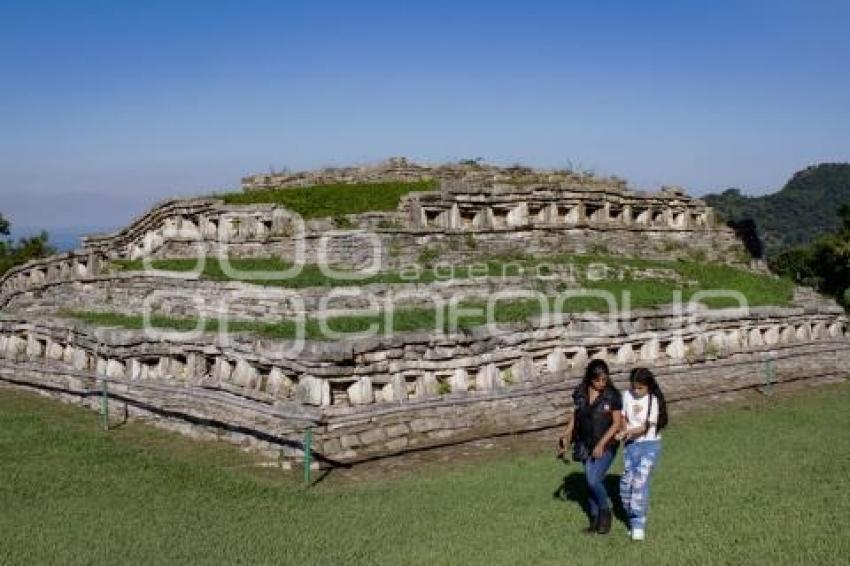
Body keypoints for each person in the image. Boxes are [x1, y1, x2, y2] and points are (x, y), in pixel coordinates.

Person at [558, 359, 623, 535]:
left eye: (605, 379)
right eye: (598, 380)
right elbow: (576, 416)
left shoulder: (613, 395)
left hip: (607, 444)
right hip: (584, 443)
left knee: (593, 479)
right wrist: (566, 434)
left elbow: (617, 424)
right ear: (590, 379)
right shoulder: (580, 393)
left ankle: (605, 511)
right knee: (590, 482)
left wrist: (601, 444)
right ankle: (594, 520)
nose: (602, 383)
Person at [616, 367, 666, 541]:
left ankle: (638, 525)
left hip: (649, 445)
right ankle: (632, 517)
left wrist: (628, 433)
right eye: (634, 387)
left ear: (648, 386)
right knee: (625, 484)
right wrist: (623, 430)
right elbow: (622, 416)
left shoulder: (653, 400)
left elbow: (645, 428)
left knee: (639, 483)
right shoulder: (627, 395)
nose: (636, 392)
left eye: (640, 388)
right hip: (631, 446)